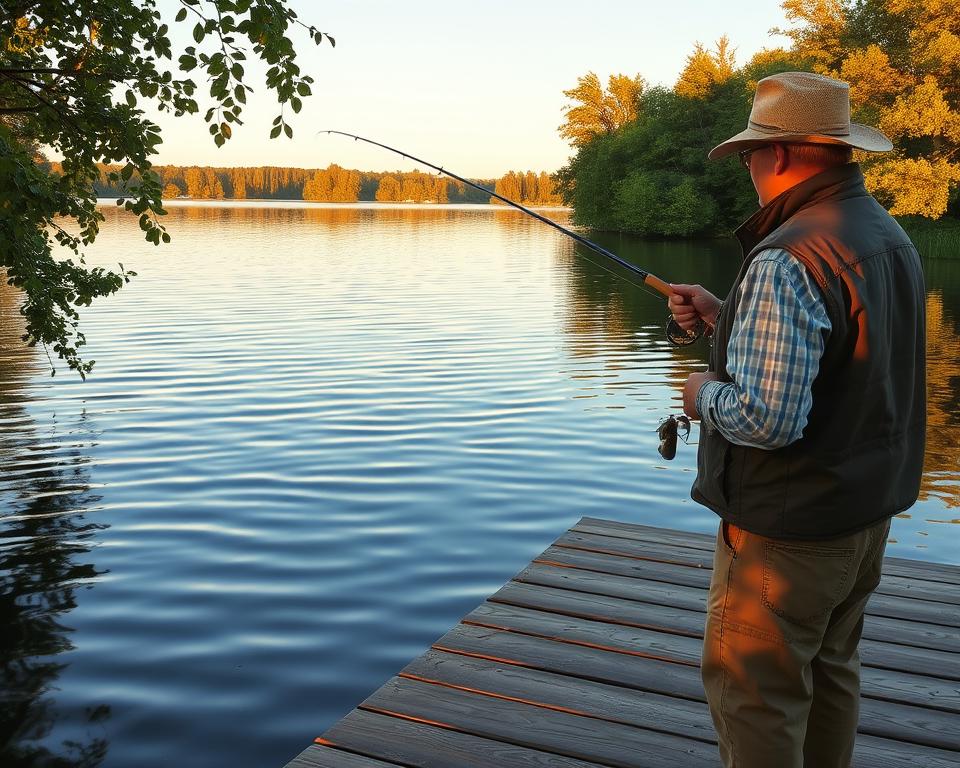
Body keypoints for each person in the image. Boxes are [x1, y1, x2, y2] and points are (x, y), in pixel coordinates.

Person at [668, 71, 926, 768]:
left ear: (778, 154)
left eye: (749, 155)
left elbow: (765, 418)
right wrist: (729, 316)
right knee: (831, 670)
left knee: (755, 694)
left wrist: (699, 393)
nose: (749, 168)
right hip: (861, 519)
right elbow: (844, 356)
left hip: (788, 536)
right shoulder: (884, 234)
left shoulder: (787, 256)